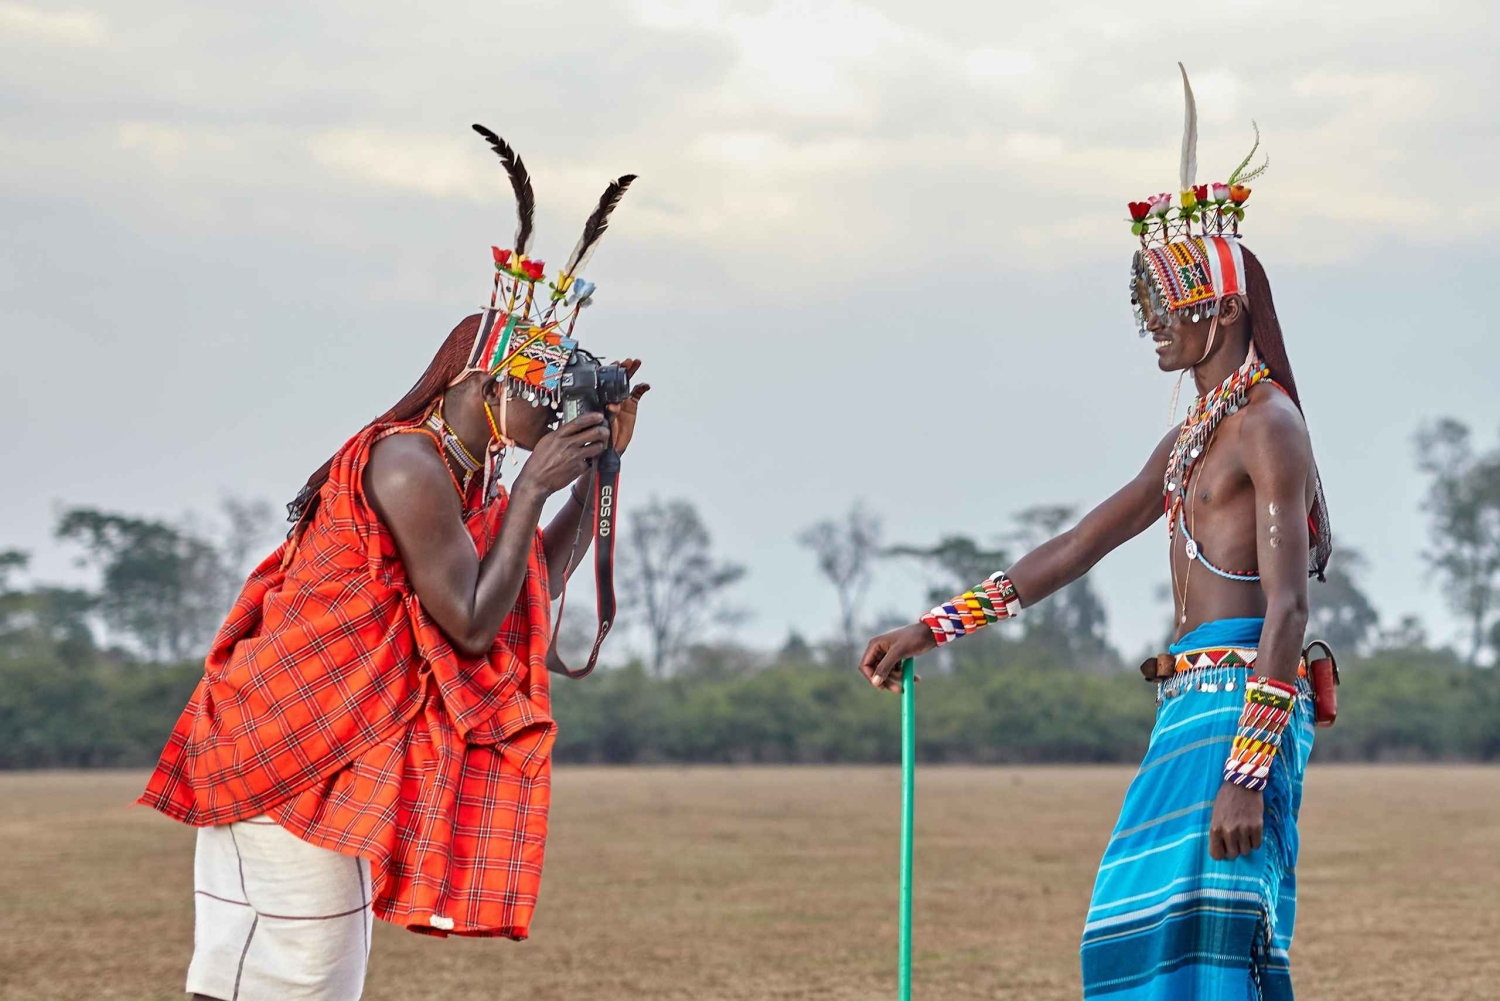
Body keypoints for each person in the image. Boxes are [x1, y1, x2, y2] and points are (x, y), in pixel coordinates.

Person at [139, 126, 648, 1001]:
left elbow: (530, 585)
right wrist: (532, 490)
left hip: (316, 750)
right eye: (544, 394)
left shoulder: (468, 468)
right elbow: (471, 619)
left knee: (276, 975)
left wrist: (592, 478)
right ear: (490, 385)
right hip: (289, 746)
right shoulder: (409, 462)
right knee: (295, 978)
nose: (553, 410)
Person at [858, 67, 1330, 1000]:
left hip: (1243, 706)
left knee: (1214, 946)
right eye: (1147, 308)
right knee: (1129, 942)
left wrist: (1248, 769)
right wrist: (937, 626)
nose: (1152, 327)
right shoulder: (1191, 436)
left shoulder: (1268, 423)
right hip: (1185, 706)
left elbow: (1287, 609)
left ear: (1223, 310)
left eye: (1170, 308)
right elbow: (1075, 546)